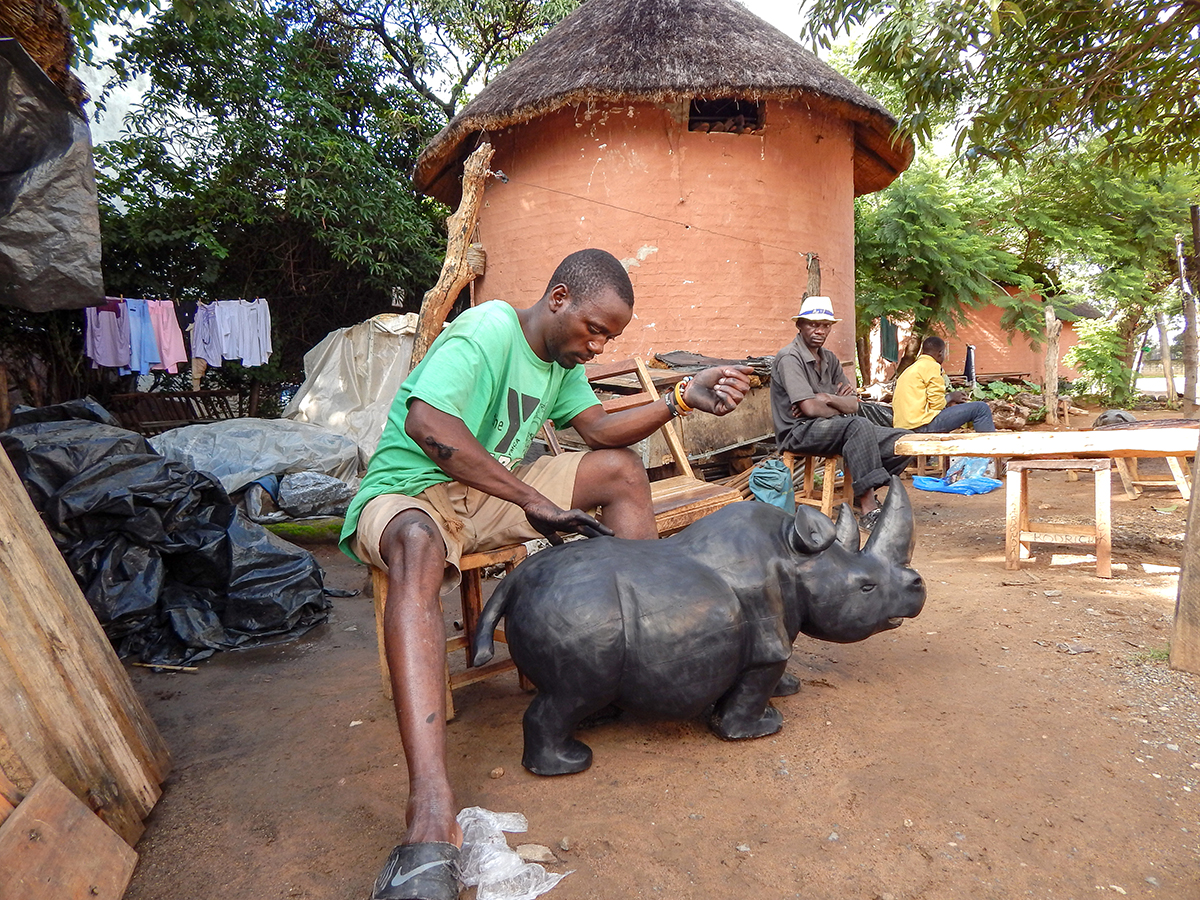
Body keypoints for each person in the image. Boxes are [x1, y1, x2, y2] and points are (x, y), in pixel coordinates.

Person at [340, 248, 753, 900]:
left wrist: (680, 400)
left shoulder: (562, 365)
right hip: (411, 494)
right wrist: (532, 499)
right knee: (418, 546)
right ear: (558, 297)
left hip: (491, 494)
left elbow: (601, 431)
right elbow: (427, 424)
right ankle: (429, 807)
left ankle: (645, 660)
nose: (598, 345)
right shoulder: (489, 330)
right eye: (595, 329)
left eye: (611, 338)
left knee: (619, 471)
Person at [769, 296, 911, 531]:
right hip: (798, 431)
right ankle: (868, 509)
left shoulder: (830, 359)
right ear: (800, 325)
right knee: (857, 426)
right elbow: (809, 409)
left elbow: (854, 404)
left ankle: (863, 489)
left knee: (902, 440)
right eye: (813, 324)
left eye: (825, 325)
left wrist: (829, 398)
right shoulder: (790, 357)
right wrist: (833, 403)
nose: (820, 330)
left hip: (833, 427)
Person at [893, 335, 995, 434]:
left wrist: (949, 403)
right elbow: (936, 405)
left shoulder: (910, 369)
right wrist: (951, 396)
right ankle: (990, 449)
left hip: (903, 427)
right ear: (940, 353)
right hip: (921, 426)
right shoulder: (932, 366)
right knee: (981, 408)